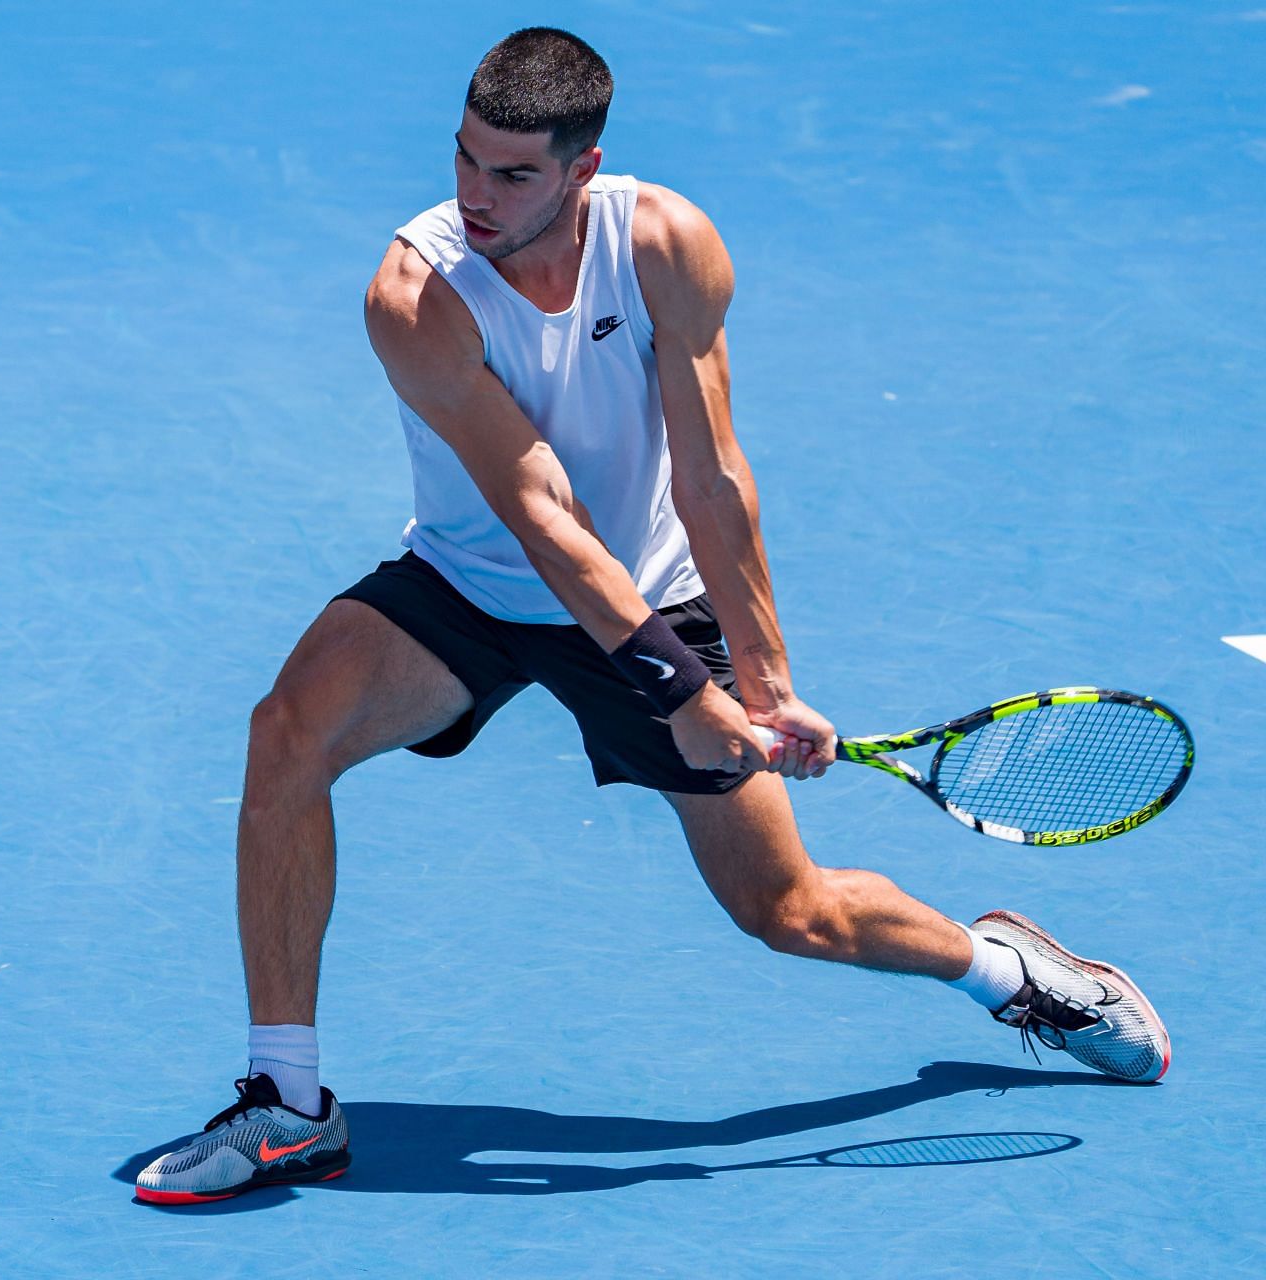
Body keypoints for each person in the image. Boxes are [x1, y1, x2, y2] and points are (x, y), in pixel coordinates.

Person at [134, 27, 1168, 1207]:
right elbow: (541, 517)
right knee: (286, 733)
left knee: (788, 909)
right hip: (474, 582)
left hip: (656, 592)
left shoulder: (665, 245)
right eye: (467, 161)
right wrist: (687, 692)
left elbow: (712, 473)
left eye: (513, 173)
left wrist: (764, 686)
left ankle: (1008, 969)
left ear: (583, 167)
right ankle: (288, 1103)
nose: (477, 194)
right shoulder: (415, 294)